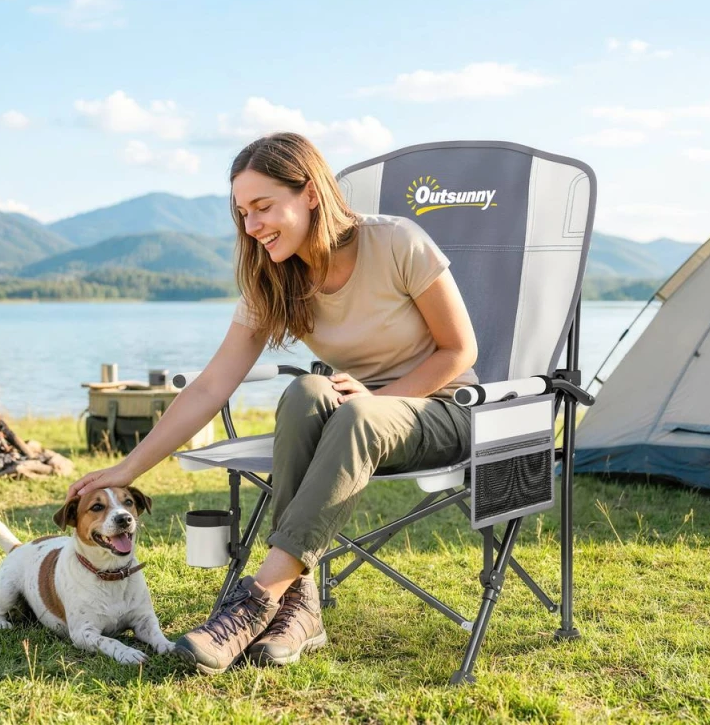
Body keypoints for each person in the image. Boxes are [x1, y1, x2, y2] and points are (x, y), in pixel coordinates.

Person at [67, 132, 478, 674]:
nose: (252, 226)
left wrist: (379, 399)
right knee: (306, 391)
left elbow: (460, 349)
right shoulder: (273, 278)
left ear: (309, 192)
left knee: (351, 408)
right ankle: (301, 605)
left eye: (263, 207)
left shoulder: (397, 241)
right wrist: (126, 467)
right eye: (242, 213)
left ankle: (259, 600)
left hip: (443, 409)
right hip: (355, 419)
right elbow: (211, 387)